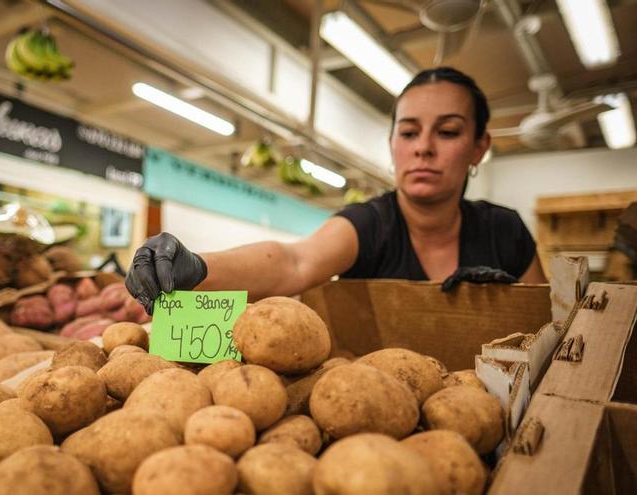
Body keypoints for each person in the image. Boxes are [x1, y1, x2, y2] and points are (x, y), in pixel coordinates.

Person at [126, 67, 547, 313]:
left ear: (479, 147)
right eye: (409, 132)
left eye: (449, 131)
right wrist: (196, 266)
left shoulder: (504, 231)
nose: (423, 147)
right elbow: (294, 263)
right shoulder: (371, 225)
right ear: (392, 145)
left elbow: (545, 327)